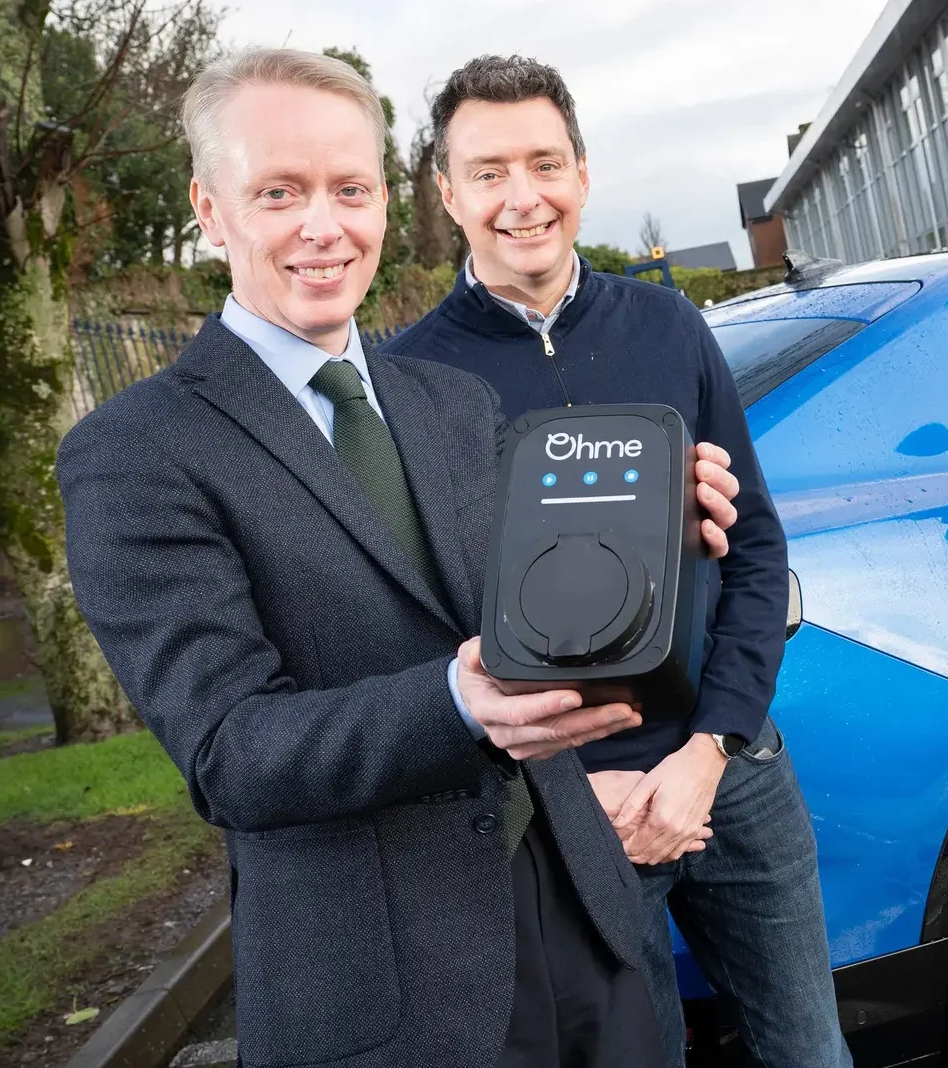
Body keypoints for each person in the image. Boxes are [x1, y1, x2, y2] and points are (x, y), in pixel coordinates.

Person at [55, 48, 742, 1068]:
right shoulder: (135, 452)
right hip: (393, 991)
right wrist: (456, 705)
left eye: (350, 188)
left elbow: (521, 611)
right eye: (278, 192)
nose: (323, 226)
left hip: (585, 923)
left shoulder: (447, 401)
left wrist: (656, 539)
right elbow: (230, 753)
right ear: (210, 209)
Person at [382, 55, 848, 1068]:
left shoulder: (668, 327)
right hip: (567, 809)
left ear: (582, 176)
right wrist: (564, 788)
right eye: (490, 170)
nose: (523, 197)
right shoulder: (407, 379)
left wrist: (708, 750)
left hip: (732, 772)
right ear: (447, 193)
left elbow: (756, 551)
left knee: (808, 1051)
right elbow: (427, 621)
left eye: (544, 163)